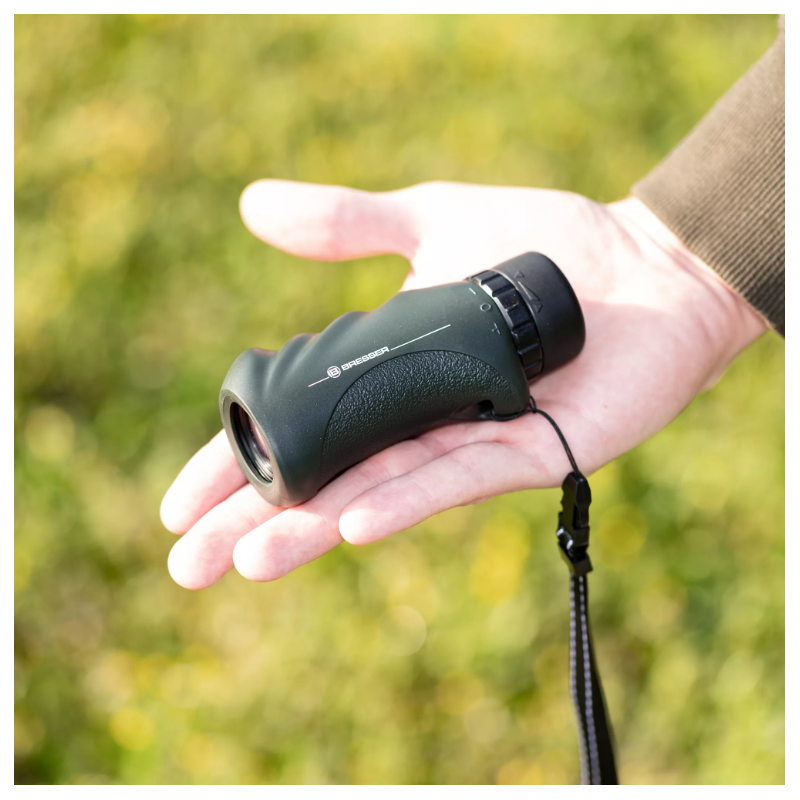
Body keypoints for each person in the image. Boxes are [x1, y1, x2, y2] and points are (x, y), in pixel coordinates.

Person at [161, 18, 784, 590]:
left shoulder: (480, 336)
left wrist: (691, 259)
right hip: (474, 346)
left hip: (482, 338)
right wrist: (694, 248)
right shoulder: (489, 357)